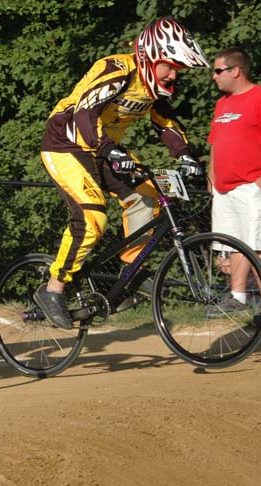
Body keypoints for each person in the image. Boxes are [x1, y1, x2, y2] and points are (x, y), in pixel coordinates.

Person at [34, 16, 209, 329]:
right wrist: (109, 149)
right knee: (92, 219)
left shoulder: (155, 88)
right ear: (149, 56)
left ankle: (131, 271)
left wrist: (185, 154)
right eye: (170, 66)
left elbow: (166, 123)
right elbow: (84, 112)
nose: (174, 75)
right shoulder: (117, 69)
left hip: (103, 149)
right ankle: (52, 289)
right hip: (66, 144)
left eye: (178, 69)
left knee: (149, 194)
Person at [206, 47, 261, 316]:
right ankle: (237, 297)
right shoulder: (222, 103)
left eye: (218, 71)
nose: (214, 76)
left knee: (257, 246)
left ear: (236, 70)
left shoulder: (258, 97)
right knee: (233, 243)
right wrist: (212, 174)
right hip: (224, 189)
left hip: (251, 185)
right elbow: (215, 142)